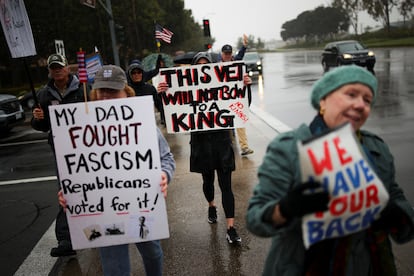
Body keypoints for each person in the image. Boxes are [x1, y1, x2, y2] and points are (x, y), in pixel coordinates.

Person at [246, 65, 414, 275]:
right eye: (351, 94)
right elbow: (255, 218)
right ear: (323, 101)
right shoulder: (289, 148)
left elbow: (401, 205)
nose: (361, 105)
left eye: (367, 100)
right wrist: (286, 209)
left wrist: (394, 213)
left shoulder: (376, 149)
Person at [58, 65, 176, 276]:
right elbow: (74, 169)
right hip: (103, 213)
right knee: (114, 269)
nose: (105, 97)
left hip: (141, 205)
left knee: (153, 253)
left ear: (126, 92)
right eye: (101, 91)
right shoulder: (80, 127)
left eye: (112, 91)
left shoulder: (143, 124)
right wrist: (69, 193)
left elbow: (166, 158)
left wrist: (164, 175)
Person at [157, 52, 251, 244]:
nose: (202, 68)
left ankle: (231, 228)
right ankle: (211, 205)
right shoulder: (186, 86)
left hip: (222, 143)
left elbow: (242, 105)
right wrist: (163, 95)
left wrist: (245, 87)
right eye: (198, 65)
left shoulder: (221, 83)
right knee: (207, 182)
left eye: (205, 64)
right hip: (201, 144)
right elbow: (170, 114)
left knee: (226, 186)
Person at [31, 53, 87, 257]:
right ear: (49, 71)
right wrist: (37, 119)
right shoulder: (44, 95)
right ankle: (65, 239)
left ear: (68, 68)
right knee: (67, 190)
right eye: (53, 67)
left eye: (59, 66)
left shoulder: (84, 88)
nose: (57, 70)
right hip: (62, 151)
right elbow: (41, 126)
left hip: (87, 148)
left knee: (94, 185)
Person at [220, 35, 254, 156]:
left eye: (229, 53)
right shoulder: (216, 66)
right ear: (222, 54)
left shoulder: (236, 62)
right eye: (226, 53)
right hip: (222, 100)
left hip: (235, 98)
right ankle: (229, 147)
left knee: (240, 121)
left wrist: (244, 46)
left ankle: (244, 147)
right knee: (226, 126)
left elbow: (240, 54)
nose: (228, 55)